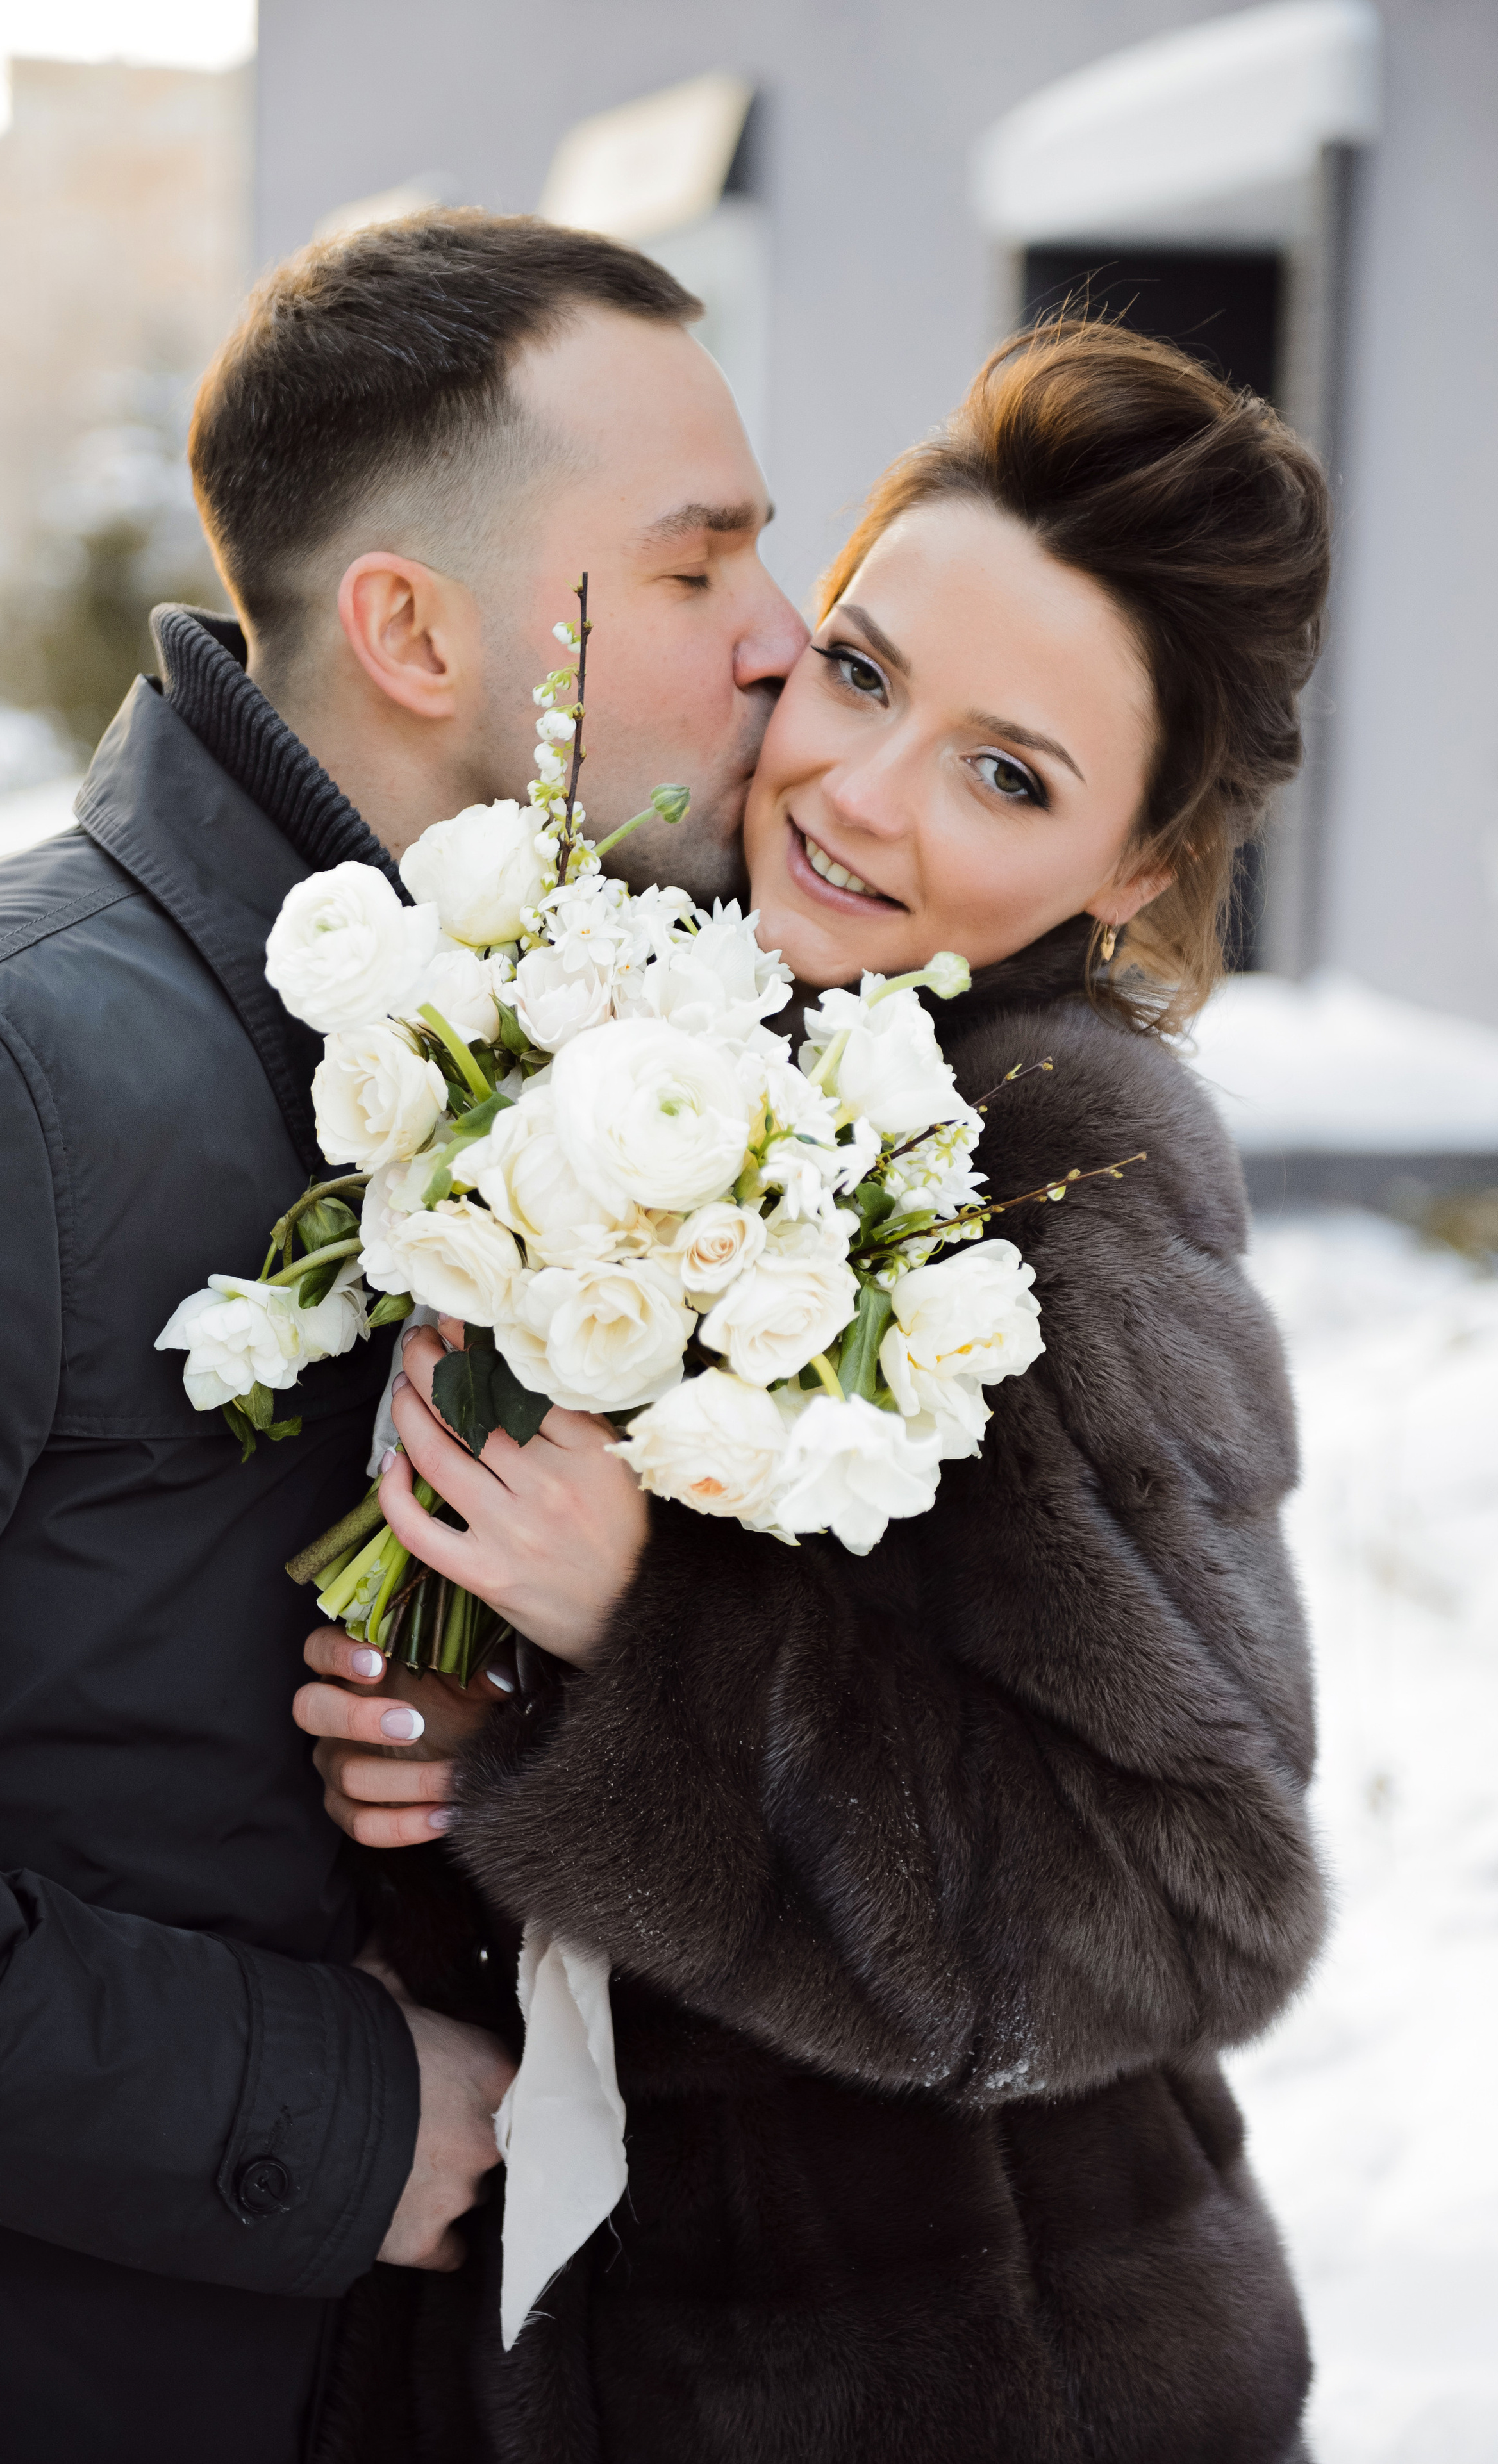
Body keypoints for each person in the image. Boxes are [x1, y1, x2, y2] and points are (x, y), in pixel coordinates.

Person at [299, 322, 1332, 2461]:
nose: (860, 794)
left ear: (1136, 868)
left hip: (966, 2371)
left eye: (1011, 774)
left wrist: (642, 1641)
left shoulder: (1068, 1200)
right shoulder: (637, 1009)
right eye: (861, 675)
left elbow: (1192, 1903)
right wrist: (456, 1732)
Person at [0, 212, 805, 2463]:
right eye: (696, 569)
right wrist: (330, 2110)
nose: (784, 640)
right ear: (407, 625)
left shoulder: (585, 1073)